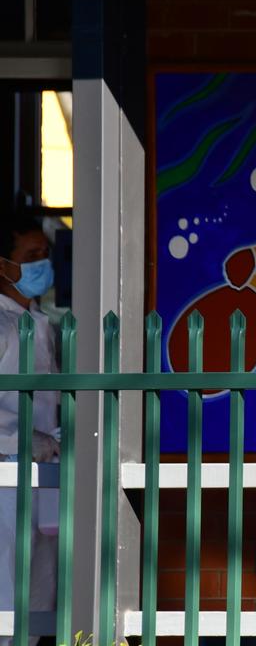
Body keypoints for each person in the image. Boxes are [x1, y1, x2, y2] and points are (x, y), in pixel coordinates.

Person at [0, 214, 59, 646]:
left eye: (45, 254)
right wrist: (22, 440)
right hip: (5, 474)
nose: (42, 264)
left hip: (47, 471)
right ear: (4, 265)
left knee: (41, 587)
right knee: (6, 587)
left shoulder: (43, 322)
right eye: (31, 256)